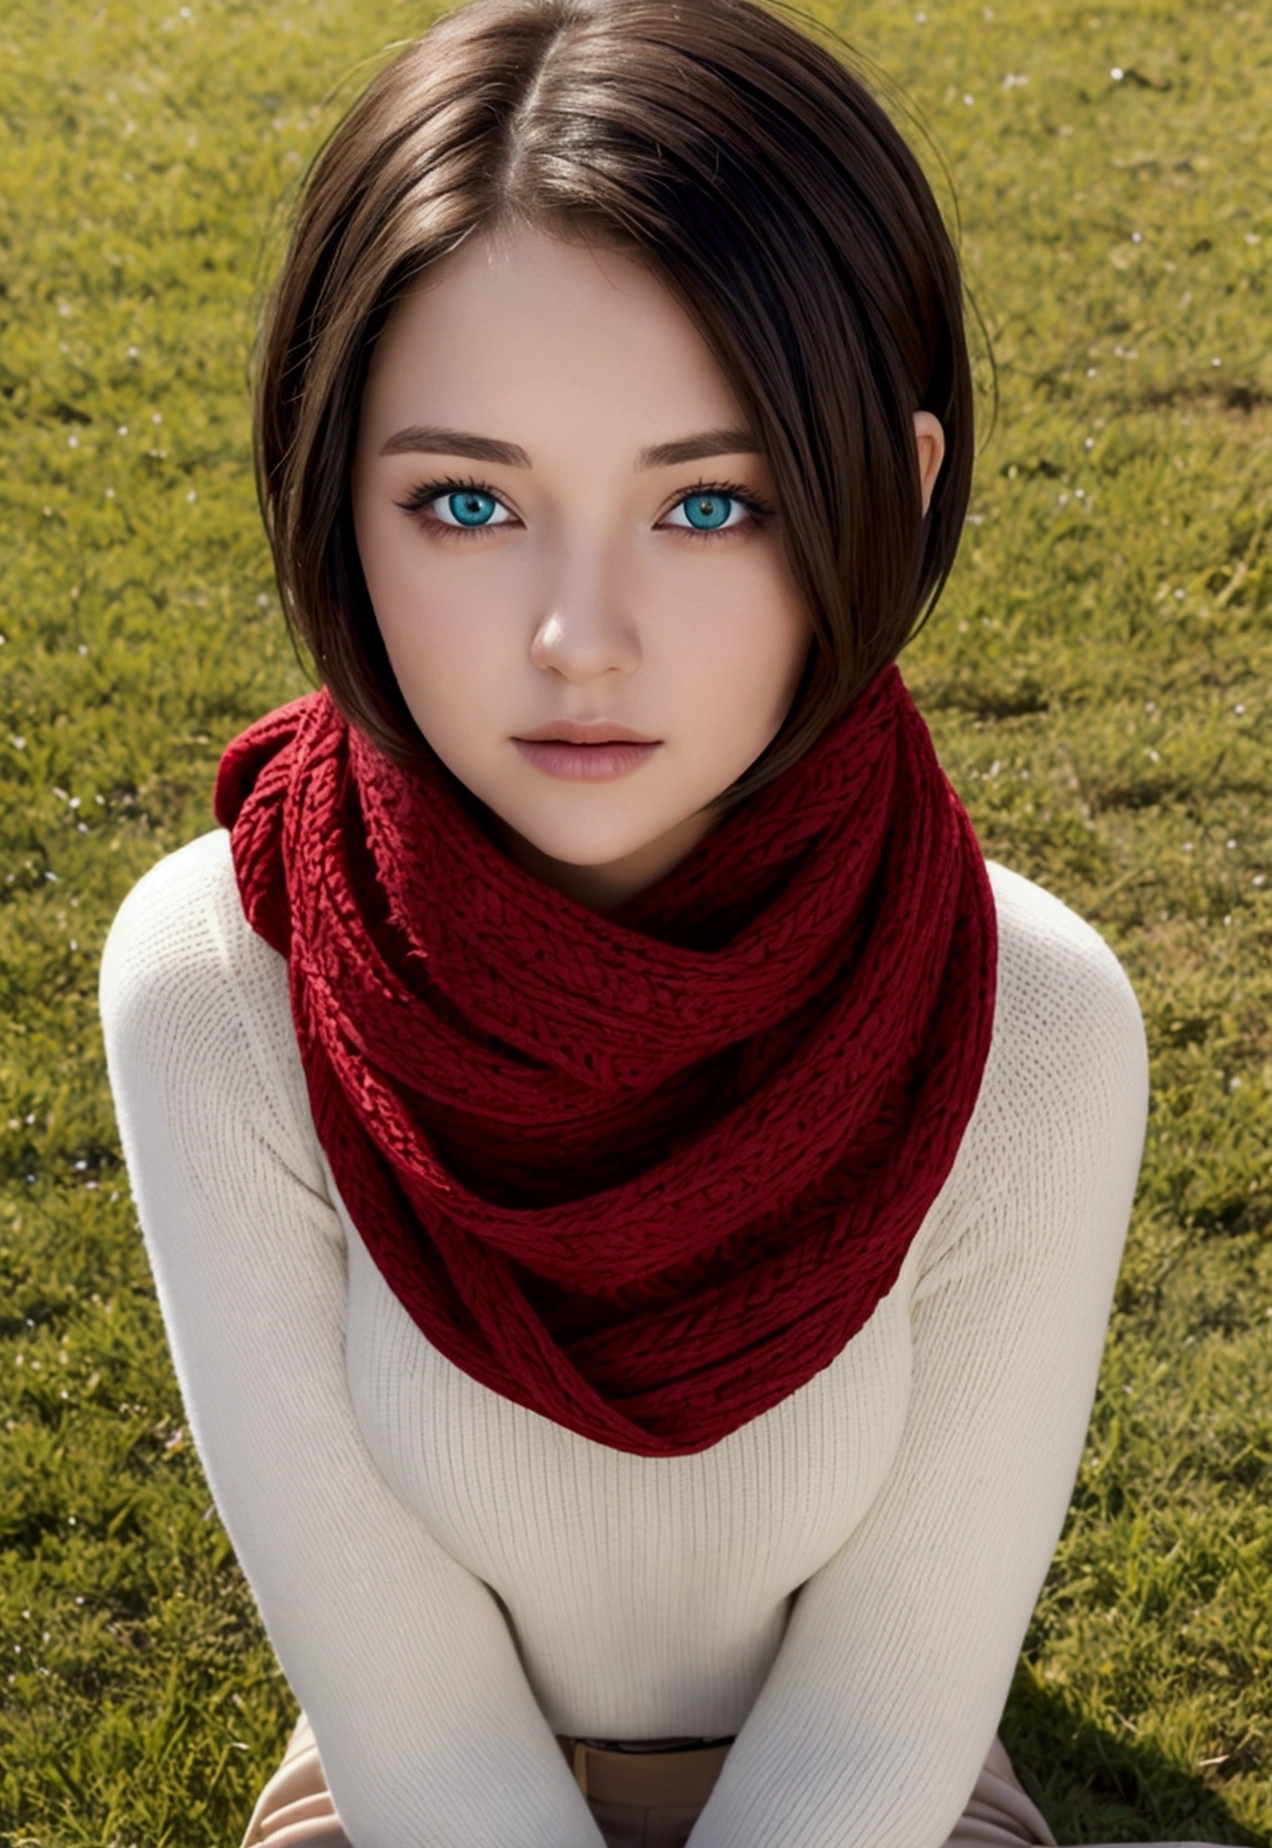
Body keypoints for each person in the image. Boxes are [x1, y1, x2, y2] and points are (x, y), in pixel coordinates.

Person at [97, 1, 1216, 1845]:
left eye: (712, 504)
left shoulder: (1030, 1018)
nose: (578, 638)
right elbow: (418, 1729)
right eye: (466, 501)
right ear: (330, 497)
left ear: (893, 494)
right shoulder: (223, 978)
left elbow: (874, 1734)